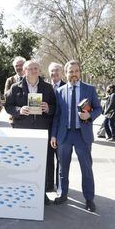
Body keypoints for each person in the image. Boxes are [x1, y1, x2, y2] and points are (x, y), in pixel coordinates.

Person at [50, 60, 102, 212]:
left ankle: (89, 199)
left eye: (76, 71)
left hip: (82, 135)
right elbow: (57, 116)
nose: (74, 74)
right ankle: (62, 193)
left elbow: (99, 108)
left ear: (80, 72)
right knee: (62, 167)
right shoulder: (60, 91)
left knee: (86, 168)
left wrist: (90, 115)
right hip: (64, 135)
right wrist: (54, 135)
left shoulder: (89, 89)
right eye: (70, 72)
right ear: (65, 74)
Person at [5, 60, 56, 204]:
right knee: (23, 162)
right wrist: (19, 110)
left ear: (39, 71)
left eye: (36, 68)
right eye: (30, 69)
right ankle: (22, 191)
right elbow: (8, 106)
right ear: (24, 71)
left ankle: (42, 193)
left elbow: (56, 107)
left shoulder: (47, 88)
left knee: (42, 163)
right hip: (23, 131)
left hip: (41, 130)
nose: (33, 71)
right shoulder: (15, 88)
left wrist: (48, 108)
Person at [46, 62, 66, 192]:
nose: (54, 74)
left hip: (61, 130)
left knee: (61, 160)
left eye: (57, 71)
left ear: (62, 72)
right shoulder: (46, 87)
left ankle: (60, 186)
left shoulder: (67, 87)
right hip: (47, 127)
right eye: (52, 71)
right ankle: (48, 185)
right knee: (48, 159)